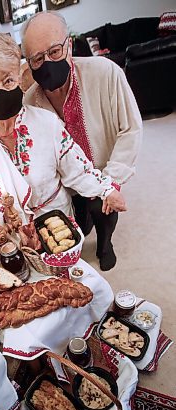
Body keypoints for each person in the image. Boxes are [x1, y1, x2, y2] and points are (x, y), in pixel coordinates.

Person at [21, 11, 142, 270]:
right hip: (65, 181)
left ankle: (105, 244)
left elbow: (131, 129)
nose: (48, 63)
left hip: (102, 170)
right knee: (75, 227)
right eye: (37, 58)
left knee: (102, 208)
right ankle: (83, 217)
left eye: (54, 51)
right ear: (29, 64)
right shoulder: (28, 101)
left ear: (70, 45)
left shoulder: (106, 72)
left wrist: (111, 179)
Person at [0, 33, 126, 225]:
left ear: (19, 79)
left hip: (56, 219)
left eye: (8, 81)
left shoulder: (47, 123)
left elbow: (77, 170)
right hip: (16, 232)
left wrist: (107, 190)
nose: (1, 91)